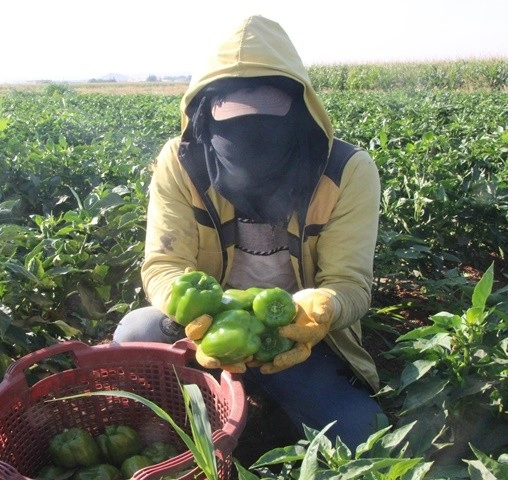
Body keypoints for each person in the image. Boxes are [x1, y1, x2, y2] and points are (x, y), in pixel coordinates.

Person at [112, 14, 384, 448]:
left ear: (302, 110)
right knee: (136, 333)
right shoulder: (183, 163)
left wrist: (324, 309)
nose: (252, 141)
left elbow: (351, 283)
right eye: (232, 113)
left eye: (269, 110)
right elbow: (164, 263)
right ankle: (193, 414)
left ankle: (270, 401)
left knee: (364, 434)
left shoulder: (345, 170)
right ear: (205, 113)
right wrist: (192, 315)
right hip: (210, 329)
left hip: (294, 337)